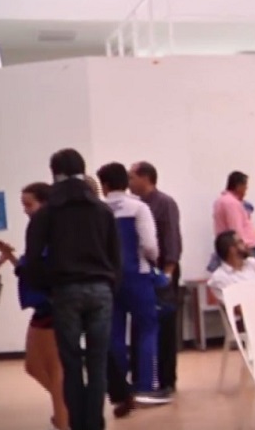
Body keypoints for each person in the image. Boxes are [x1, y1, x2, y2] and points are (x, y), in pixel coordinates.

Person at [20, 148, 121, 430]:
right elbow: (116, 257)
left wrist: (47, 288)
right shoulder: (102, 210)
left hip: (65, 292)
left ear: (54, 173)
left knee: (71, 363)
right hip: (101, 290)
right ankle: (95, 423)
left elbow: (33, 258)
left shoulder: (48, 213)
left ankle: (77, 424)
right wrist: (110, 285)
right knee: (98, 361)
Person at [0, 183, 68, 430]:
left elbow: (41, 271)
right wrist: (10, 257)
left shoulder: (52, 232)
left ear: (44, 203)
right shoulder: (39, 231)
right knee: (34, 366)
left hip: (53, 305)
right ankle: (71, 405)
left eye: (29, 204)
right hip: (44, 307)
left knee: (54, 368)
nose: (26, 210)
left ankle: (64, 417)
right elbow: (30, 271)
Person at [97, 162, 170, 408]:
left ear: (104, 185)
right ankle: (146, 387)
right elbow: (150, 245)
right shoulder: (139, 207)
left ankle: (120, 390)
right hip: (138, 276)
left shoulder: (99, 210)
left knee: (115, 333)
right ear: (125, 183)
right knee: (148, 330)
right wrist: (153, 262)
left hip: (109, 279)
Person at [128, 161, 183, 397]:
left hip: (162, 273)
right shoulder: (136, 206)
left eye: (132, 177)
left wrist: (167, 274)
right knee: (142, 328)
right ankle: (144, 380)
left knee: (165, 329)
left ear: (146, 177)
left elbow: (172, 239)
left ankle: (167, 382)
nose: (129, 182)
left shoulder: (164, 203)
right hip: (141, 274)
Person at [213, 171, 255, 255]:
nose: (245, 192)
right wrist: (243, 249)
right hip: (241, 250)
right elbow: (235, 229)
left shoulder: (220, 201)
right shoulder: (232, 203)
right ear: (238, 187)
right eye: (245, 188)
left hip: (228, 248)